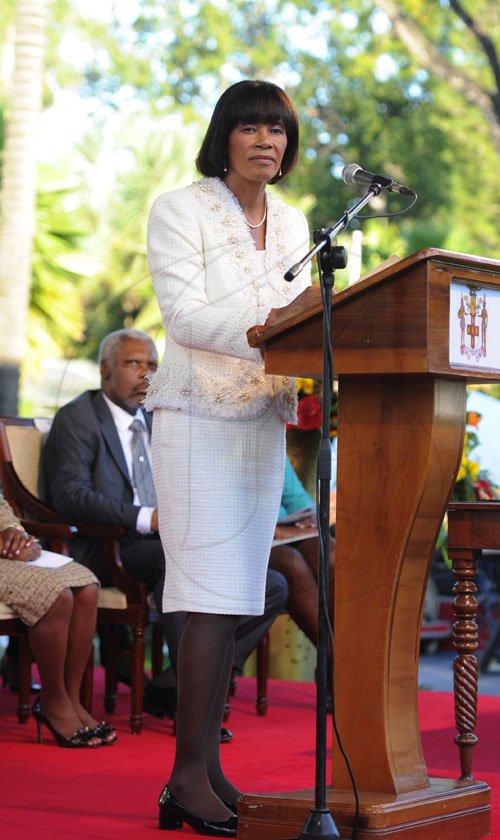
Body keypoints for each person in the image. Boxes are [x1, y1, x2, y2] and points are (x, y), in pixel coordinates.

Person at [145, 79, 312, 835]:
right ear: (226, 137)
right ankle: (184, 776)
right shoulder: (180, 208)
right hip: (195, 418)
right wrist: (274, 322)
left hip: (259, 425)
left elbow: (309, 313)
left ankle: (207, 770)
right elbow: (182, 315)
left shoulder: (298, 220)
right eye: (250, 128)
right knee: (204, 594)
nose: (265, 141)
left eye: (276, 129)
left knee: (242, 594)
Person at [43, 328, 288, 728]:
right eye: (132, 363)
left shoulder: (160, 419)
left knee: (270, 583)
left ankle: (179, 682)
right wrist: (146, 517)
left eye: (152, 364)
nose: (145, 373)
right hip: (107, 547)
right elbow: (70, 495)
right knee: (177, 563)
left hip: (167, 540)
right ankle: (192, 708)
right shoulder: (79, 417)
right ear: (105, 370)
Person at [0, 493, 116, 747]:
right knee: (56, 595)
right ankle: (53, 701)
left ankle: (72, 699)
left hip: (6, 554)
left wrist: (14, 533)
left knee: (87, 587)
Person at [270, 457, 335, 648]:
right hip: (249, 538)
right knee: (292, 563)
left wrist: (310, 517)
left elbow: (298, 501)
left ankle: (345, 656)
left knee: (331, 554)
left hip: (289, 528)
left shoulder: (270, 439)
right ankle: (332, 659)